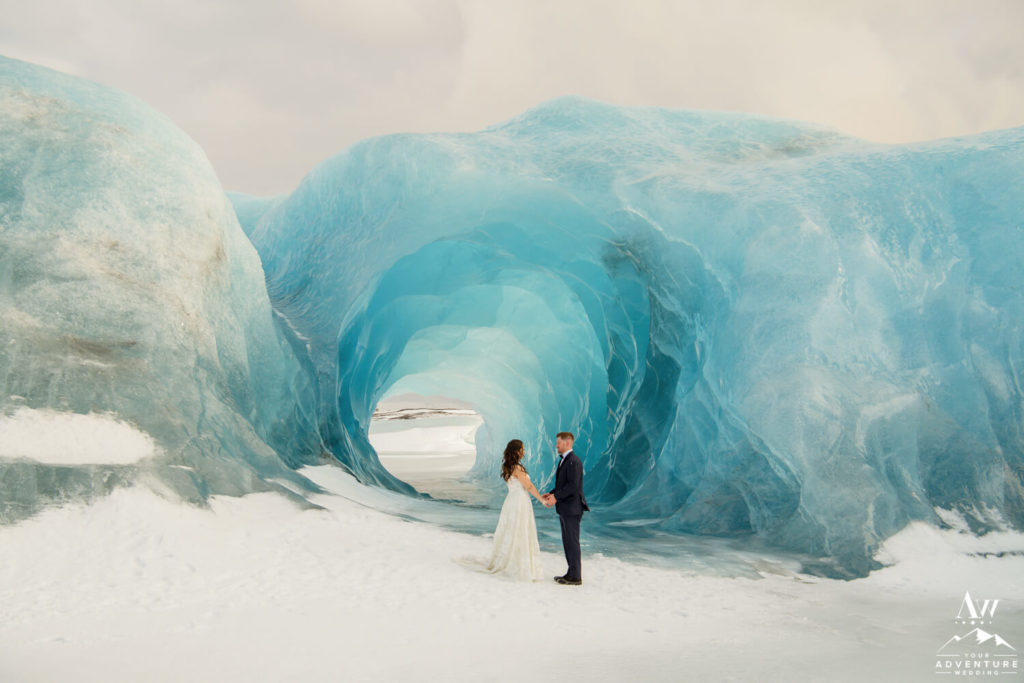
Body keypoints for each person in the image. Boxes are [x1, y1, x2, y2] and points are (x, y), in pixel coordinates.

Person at [486, 439, 546, 581]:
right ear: (517, 451)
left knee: (513, 530)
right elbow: (529, 486)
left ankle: (511, 558)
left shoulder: (508, 467)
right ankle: (518, 563)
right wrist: (542, 500)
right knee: (520, 530)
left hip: (511, 500)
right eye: (522, 449)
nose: (524, 452)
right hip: (519, 501)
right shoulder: (517, 468)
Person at [541, 431, 588, 586]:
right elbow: (564, 485)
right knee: (567, 542)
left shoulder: (573, 461)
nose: (556, 445)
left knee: (572, 542)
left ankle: (576, 576)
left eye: (558, 443)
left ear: (567, 443)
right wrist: (553, 493)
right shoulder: (566, 460)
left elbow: (573, 486)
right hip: (566, 508)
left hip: (572, 508)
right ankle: (571, 573)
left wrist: (556, 497)